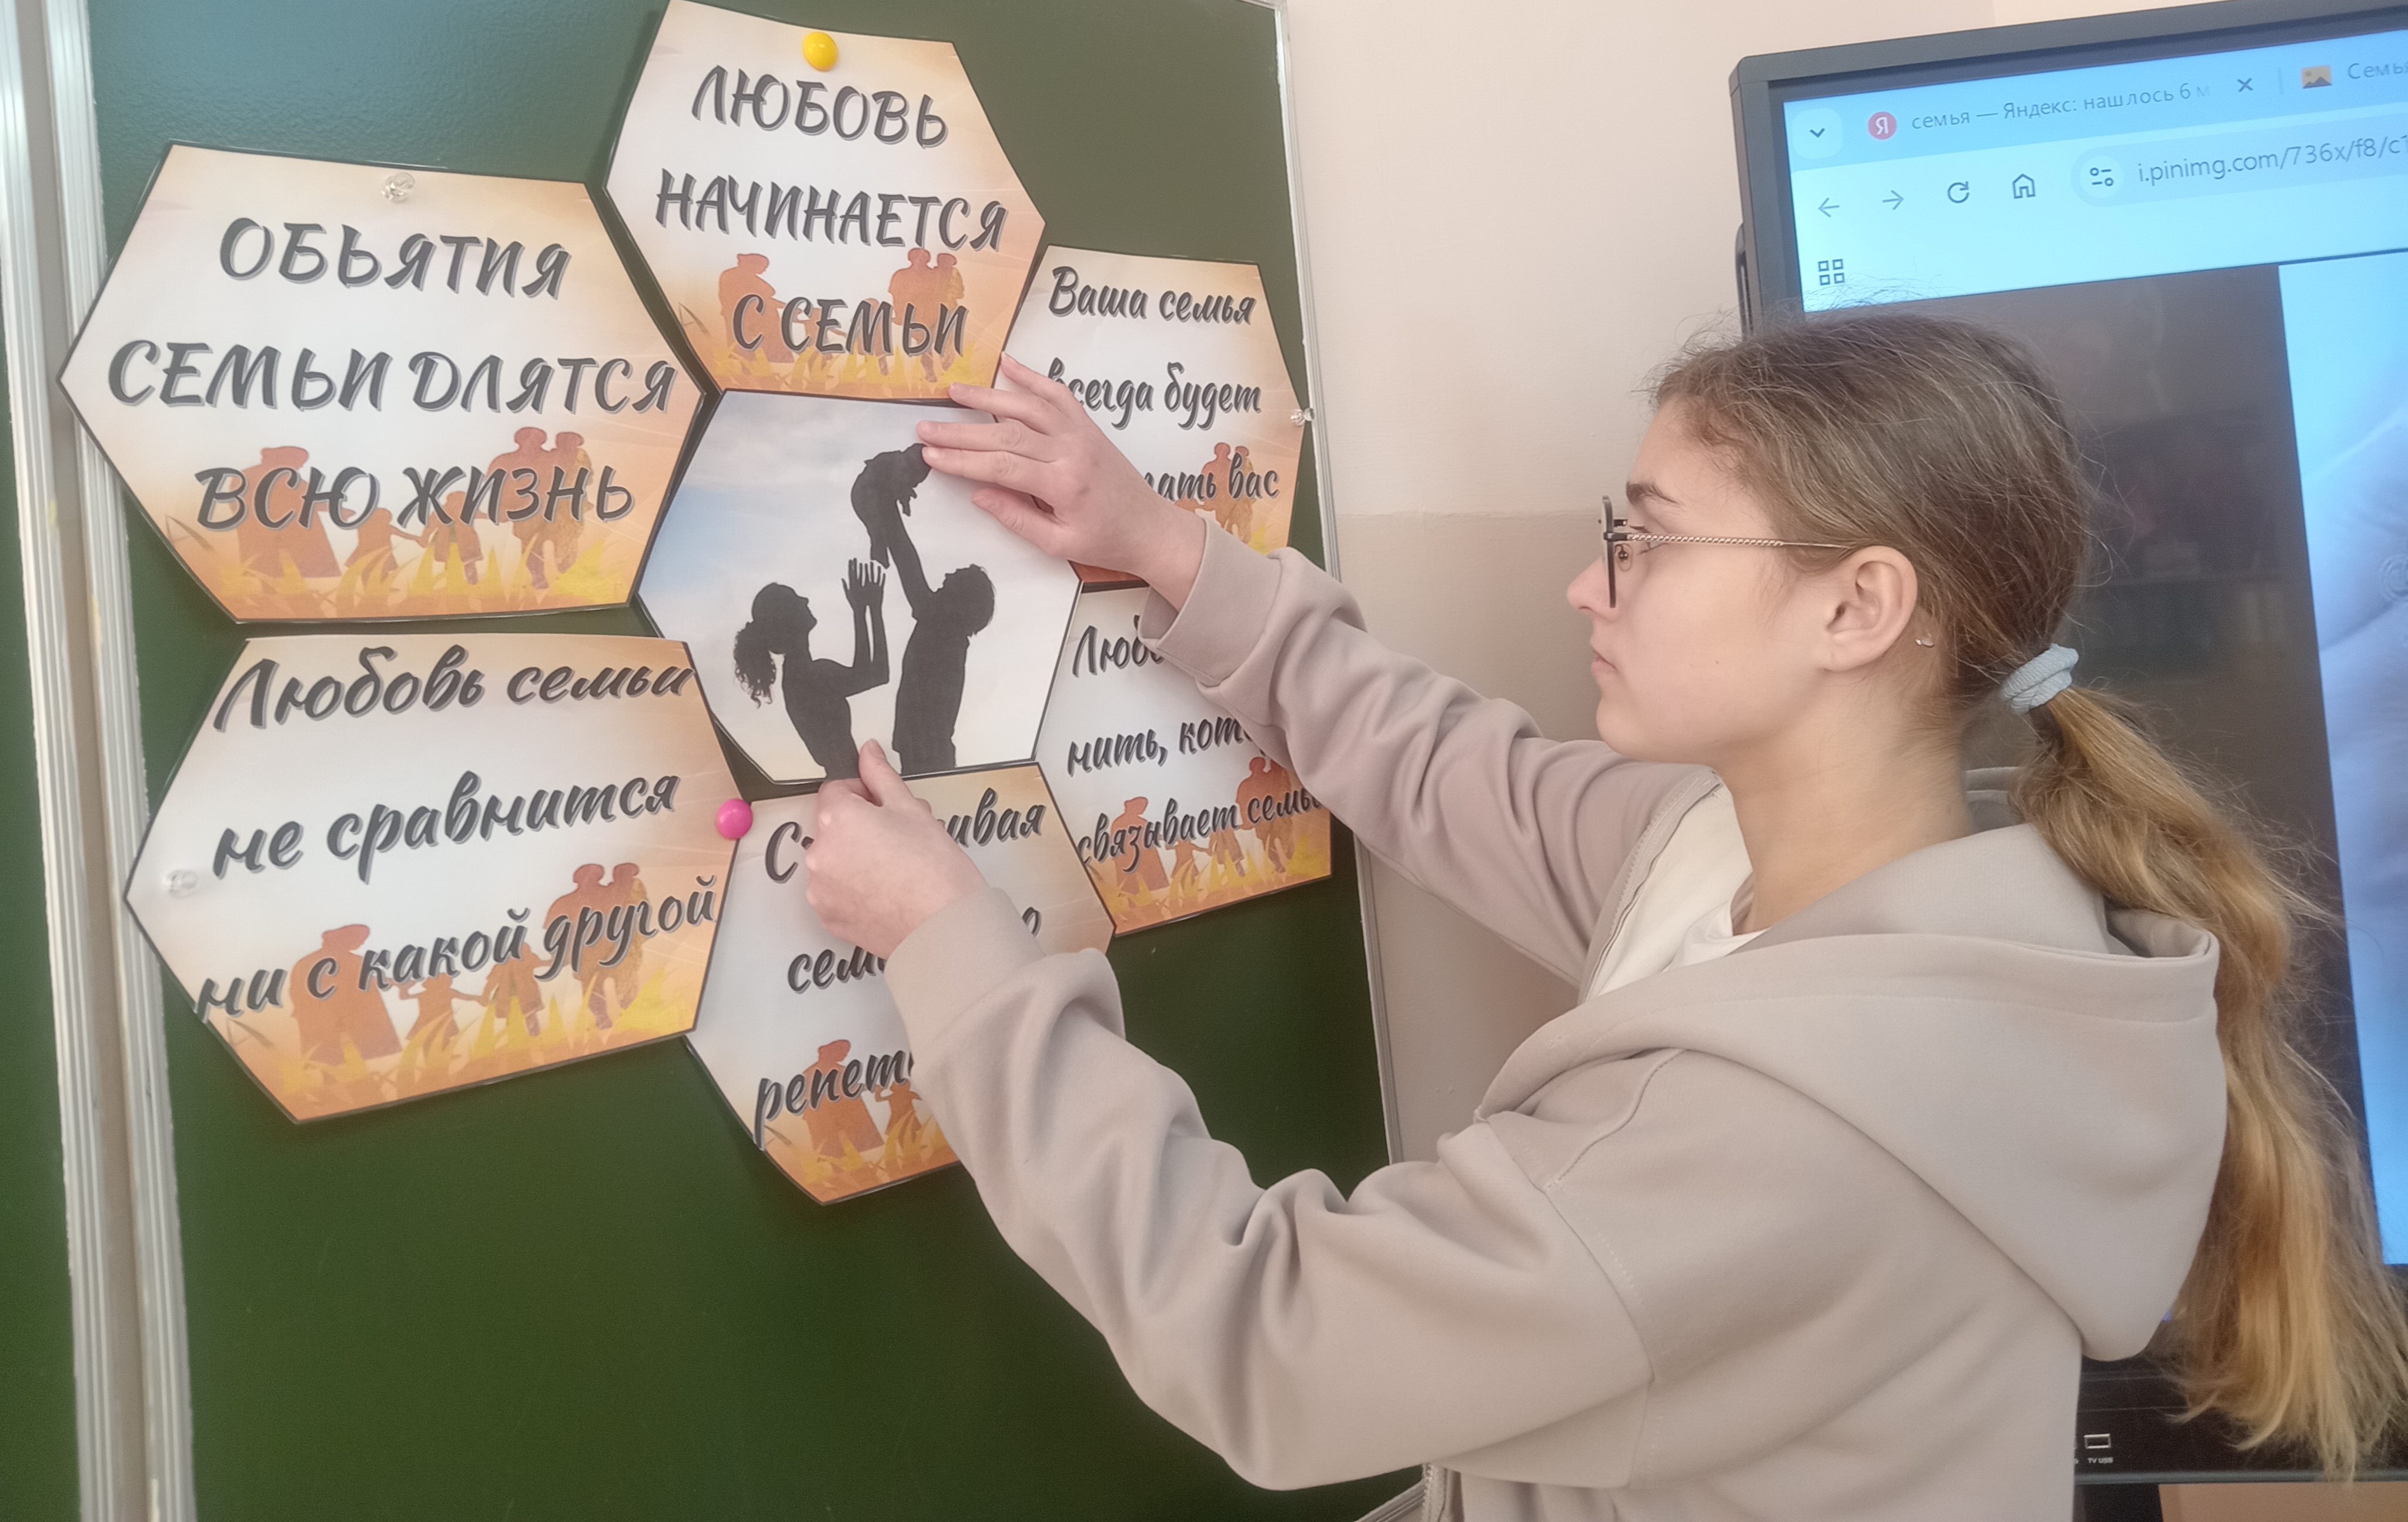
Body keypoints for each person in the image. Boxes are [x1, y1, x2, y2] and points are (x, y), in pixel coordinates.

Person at [797, 326, 2408, 1516]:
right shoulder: (1814, 879)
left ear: (1858, 605)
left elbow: (1269, 1335)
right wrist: (1162, 545)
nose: (1591, 583)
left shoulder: (1777, 1135)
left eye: (1645, 536)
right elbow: (1441, 767)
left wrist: (951, 944)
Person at [732, 563, 888, 780]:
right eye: (795, 598)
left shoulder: (799, 675)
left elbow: (872, 675)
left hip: (844, 779)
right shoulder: (809, 676)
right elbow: (875, 675)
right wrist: (869, 609)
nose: (805, 600)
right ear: (786, 618)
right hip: (848, 780)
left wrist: (863, 610)